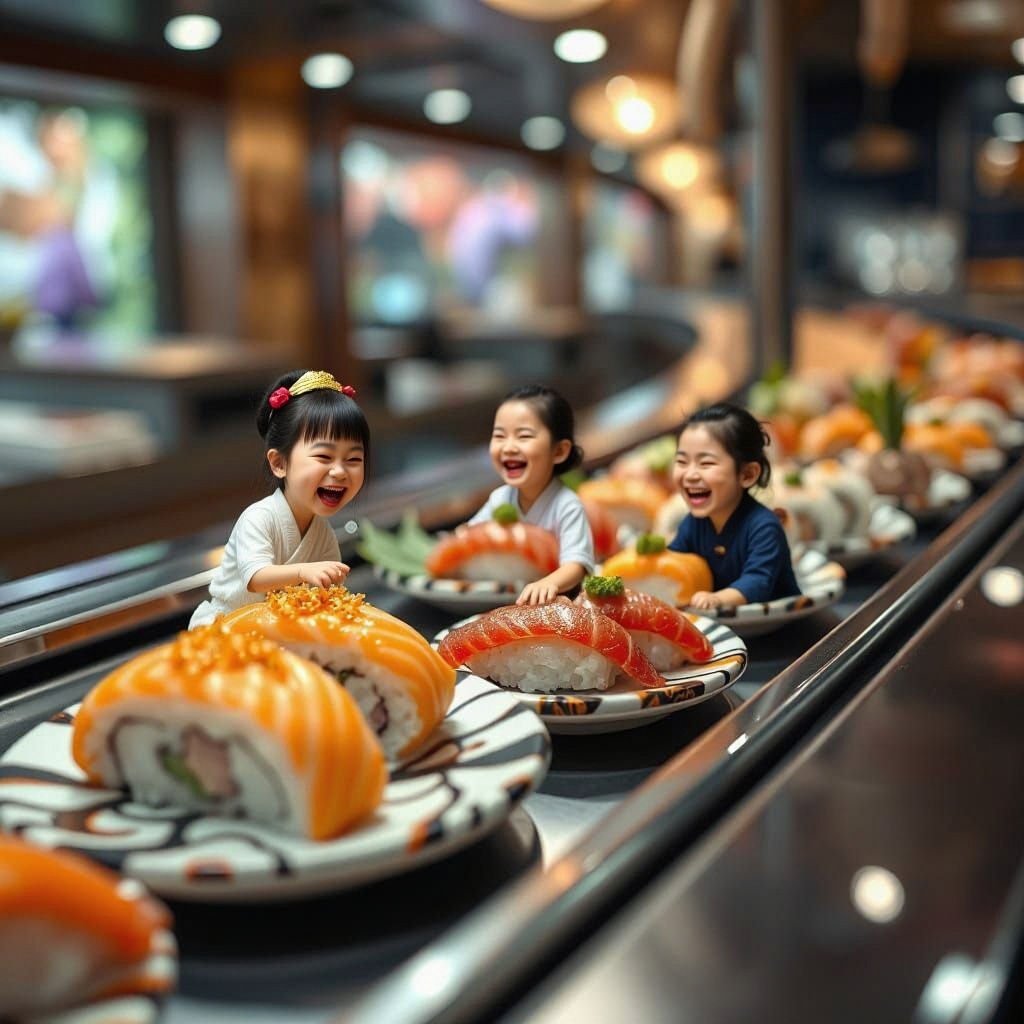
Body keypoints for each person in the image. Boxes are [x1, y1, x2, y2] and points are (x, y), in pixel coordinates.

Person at [189, 370, 368, 628]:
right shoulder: (258, 517)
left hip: (282, 630)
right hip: (228, 628)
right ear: (279, 463)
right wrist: (302, 572)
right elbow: (256, 576)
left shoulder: (323, 533)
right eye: (324, 457)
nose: (339, 471)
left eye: (353, 459)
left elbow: (329, 595)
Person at [468, 384, 594, 605]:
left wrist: (549, 583)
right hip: (501, 600)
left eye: (523, 436)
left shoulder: (567, 505)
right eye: (499, 436)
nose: (508, 447)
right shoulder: (500, 498)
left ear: (559, 451)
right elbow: (472, 535)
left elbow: (577, 564)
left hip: (553, 603)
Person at [668, 402, 800, 610]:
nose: (690, 475)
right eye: (682, 462)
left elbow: (758, 581)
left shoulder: (764, 526)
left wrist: (718, 599)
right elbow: (673, 562)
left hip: (776, 623)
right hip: (718, 625)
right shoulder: (693, 523)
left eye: (706, 463)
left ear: (747, 474)